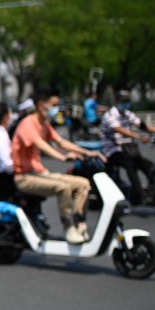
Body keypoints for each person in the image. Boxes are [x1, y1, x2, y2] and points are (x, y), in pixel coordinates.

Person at [11, 88, 105, 244]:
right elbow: (41, 145)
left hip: (40, 174)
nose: (57, 109)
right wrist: (62, 157)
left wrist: (88, 153)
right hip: (24, 177)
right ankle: (68, 228)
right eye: (54, 105)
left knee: (83, 184)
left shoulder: (44, 124)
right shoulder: (27, 124)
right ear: (42, 106)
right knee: (63, 187)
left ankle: (79, 223)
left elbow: (61, 142)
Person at [101, 89, 154, 205]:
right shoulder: (110, 114)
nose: (125, 104)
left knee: (146, 164)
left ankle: (152, 191)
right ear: (116, 101)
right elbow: (119, 130)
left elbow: (140, 124)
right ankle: (140, 195)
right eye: (123, 101)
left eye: (127, 101)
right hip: (112, 150)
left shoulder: (127, 113)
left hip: (127, 148)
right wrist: (139, 137)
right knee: (130, 164)